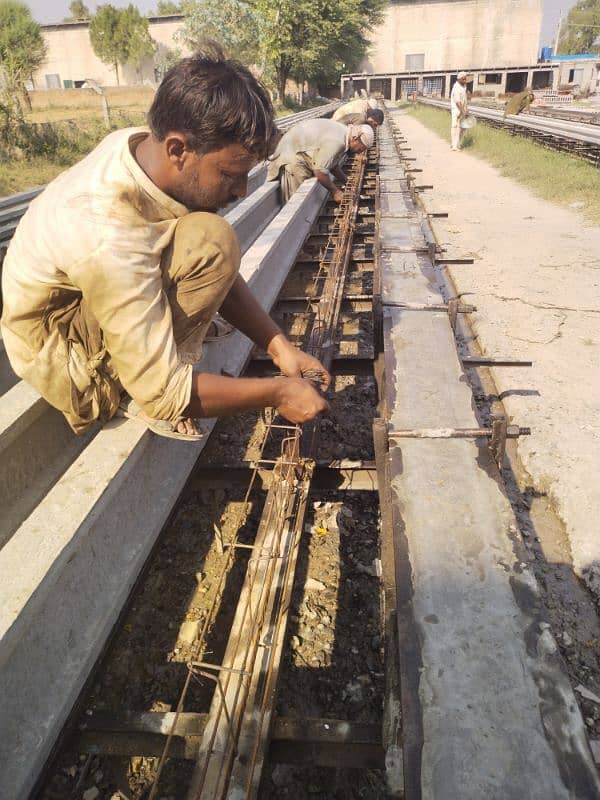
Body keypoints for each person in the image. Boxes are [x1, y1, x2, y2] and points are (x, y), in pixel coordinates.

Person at [0, 53, 330, 441]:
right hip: (69, 362)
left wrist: (279, 348)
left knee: (210, 237)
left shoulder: (141, 146)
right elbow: (165, 395)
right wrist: (278, 392)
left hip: (89, 296)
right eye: (230, 174)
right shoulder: (106, 232)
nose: (242, 190)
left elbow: (212, 262)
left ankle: (156, 358)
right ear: (177, 150)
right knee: (212, 237)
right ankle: (127, 385)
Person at [267, 119, 374, 203]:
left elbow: (332, 164)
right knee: (295, 201)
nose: (359, 152)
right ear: (356, 138)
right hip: (291, 157)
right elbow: (319, 171)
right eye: (361, 148)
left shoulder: (344, 133)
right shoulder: (337, 142)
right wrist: (335, 192)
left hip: (296, 151)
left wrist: (346, 181)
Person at [450, 71, 469, 151]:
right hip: (457, 110)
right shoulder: (456, 88)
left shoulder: (462, 87)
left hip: (462, 109)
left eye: (465, 79)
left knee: (462, 128)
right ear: (460, 79)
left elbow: (464, 100)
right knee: (456, 127)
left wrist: (466, 109)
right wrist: (463, 111)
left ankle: (457, 144)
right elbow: (457, 102)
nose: (465, 81)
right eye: (464, 79)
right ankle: (455, 146)